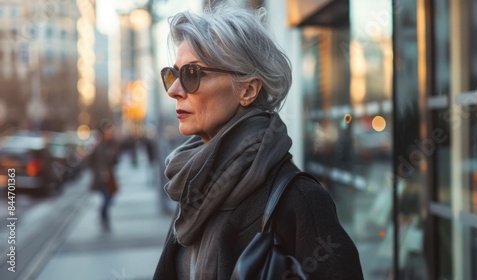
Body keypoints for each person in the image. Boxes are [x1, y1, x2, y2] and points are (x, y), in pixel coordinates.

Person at [154, 3, 363, 279]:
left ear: (248, 89)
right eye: (172, 74)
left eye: (191, 74)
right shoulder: (193, 184)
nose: (173, 90)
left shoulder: (300, 200)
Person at [89, 124, 120, 231]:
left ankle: (103, 216)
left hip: (110, 176)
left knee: (110, 197)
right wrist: (99, 171)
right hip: (101, 178)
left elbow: (115, 161)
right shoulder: (98, 147)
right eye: (107, 133)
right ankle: (104, 218)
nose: (109, 135)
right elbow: (91, 162)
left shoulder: (112, 145)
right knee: (107, 198)